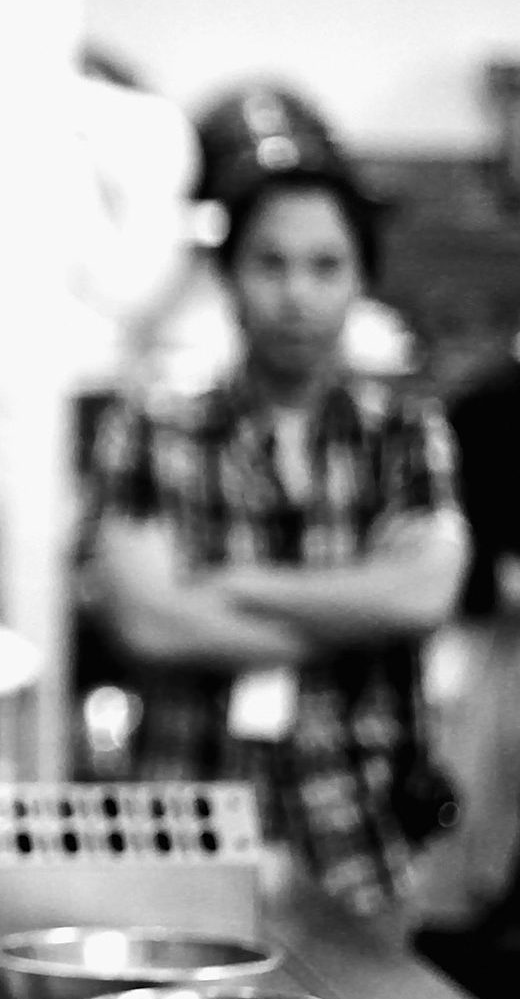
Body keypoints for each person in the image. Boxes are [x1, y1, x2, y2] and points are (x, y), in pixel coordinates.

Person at [83, 155, 468, 929]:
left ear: (361, 279)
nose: (296, 294)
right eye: (271, 263)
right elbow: (149, 621)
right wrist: (358, 605)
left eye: (326, 266)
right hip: (186, 820)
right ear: (229, 275)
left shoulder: (403, 431)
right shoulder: (154, 428)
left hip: (363, 825)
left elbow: (424, 593)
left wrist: (228, 583)